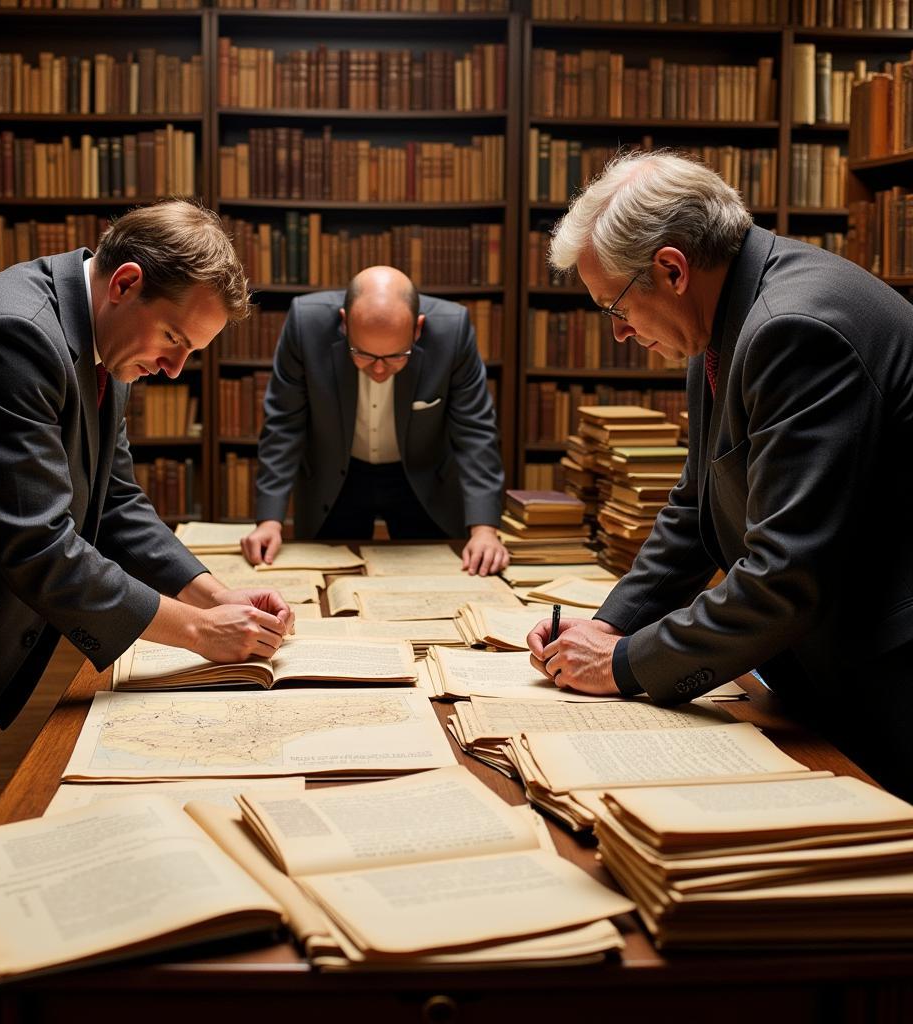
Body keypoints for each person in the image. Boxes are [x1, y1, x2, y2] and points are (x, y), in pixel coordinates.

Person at [0, 199, 293, 957]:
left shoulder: (103, 342)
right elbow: (39, 542)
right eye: (175, 339)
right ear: (125, 282)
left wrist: (216, 593)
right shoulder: (12, 334)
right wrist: (201, 633)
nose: (176, 368)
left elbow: (115, 505)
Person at [526, 150, 913, 799]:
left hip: (888, 677)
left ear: (671, 269)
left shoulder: (791, 328)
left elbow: (782, 579)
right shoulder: (723, 313)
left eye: (615, 306)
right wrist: (610, 624)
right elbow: (695, 504)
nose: (618, 333)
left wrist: (622, 665)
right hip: (823, 661)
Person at [241, 266, 508, 575]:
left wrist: (485, 530)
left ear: (417, 329)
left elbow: (475, 432)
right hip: (335, 476)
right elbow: (284, 426)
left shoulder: (453, 331)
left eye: (396, 356)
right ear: (344, 323)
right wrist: (269, 521)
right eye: (364, 355)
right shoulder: (305, 323)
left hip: (421, 477)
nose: (379, 371)